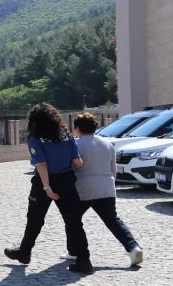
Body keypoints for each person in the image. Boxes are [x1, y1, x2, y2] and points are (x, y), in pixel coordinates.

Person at [4, 103, 94, 274]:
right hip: (67, 181)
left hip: (44, 183)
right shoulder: (67, 136)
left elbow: (42, 165)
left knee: (35, 219)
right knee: (74, 221)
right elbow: (78, 163)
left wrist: (47, 187)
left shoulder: (35, 139)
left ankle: (25, 252)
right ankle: (84, 260)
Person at [60, 113, 143, 266]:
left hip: (83, 188)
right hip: (107, 187)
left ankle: (74, 251)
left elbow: (71, 168)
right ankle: (133, 247)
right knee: (113, 221)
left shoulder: (76, 144)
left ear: (77, 128)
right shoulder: (108, 144)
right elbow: (113, 170)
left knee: (72, 220)